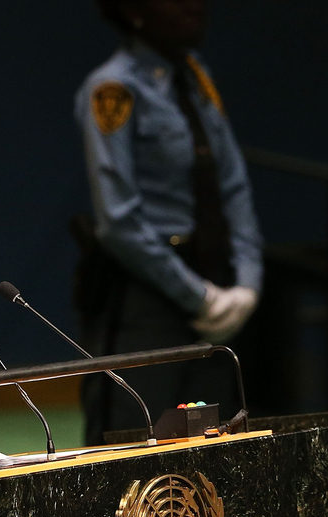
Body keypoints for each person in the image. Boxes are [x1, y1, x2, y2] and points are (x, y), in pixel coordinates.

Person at [75, 0, 263, 443]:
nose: (193, 7)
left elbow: (232, 183)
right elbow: (119, 221)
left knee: (218, 437)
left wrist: (248, 285)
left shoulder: (195, 76)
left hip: (216, 281)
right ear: (136, 11)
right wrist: (198, 297)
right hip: (147, 296)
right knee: (132, 438)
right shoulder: (112, 89)